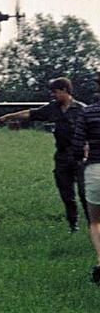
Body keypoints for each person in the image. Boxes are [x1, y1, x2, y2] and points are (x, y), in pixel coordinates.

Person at [0, 77, 87, 232]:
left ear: (65, 90)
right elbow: (30, 114)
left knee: (85, 193)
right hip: (62, 155)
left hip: (80, 156)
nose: (53, 95)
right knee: (66, 193)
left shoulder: (82, 109)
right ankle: (73, 226)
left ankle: (93, 225)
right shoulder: (52, 108)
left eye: (56, 92)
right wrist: (9, 117)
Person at [73, 73, 100, 282]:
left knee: (95, 222)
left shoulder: (87, 112)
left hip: (95, 169)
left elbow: (77, 143)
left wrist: (80, 160)